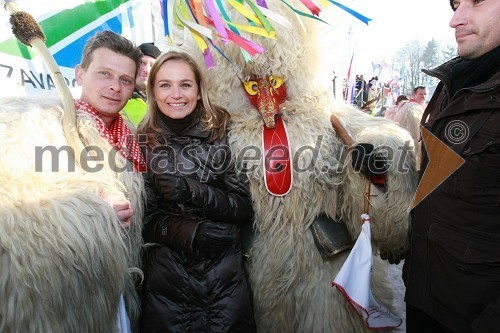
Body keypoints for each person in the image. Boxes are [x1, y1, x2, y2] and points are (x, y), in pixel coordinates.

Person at [138, 51, 257, 333]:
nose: (176, 94)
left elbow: (243, 206)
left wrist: (191, 190)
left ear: (199, 91)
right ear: (153, 92)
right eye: (165, 85)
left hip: (225, 279)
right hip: (168, 284)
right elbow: (144, 220)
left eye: (185, 84)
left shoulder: (225, 132)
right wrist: (189, 231)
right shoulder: (142, 142)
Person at [404, 0, 500, 332]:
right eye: (455, 5)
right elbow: (439, 186)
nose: (455, 20)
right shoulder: (453, 83)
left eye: (476, 1)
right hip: (423, 297)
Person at [121, 42, 161, 127]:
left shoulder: (165, 101)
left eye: (152, 65)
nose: (146, 70)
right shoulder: (118, 97)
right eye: (142, 63)